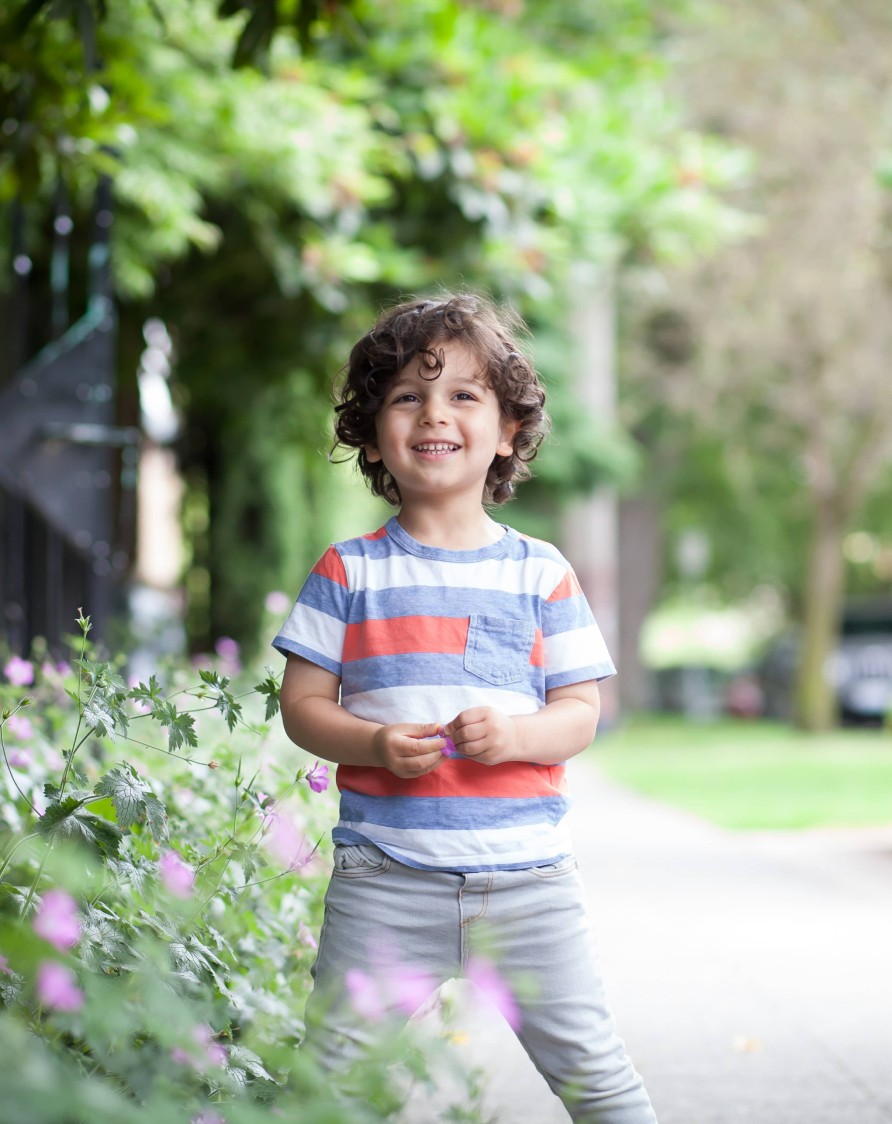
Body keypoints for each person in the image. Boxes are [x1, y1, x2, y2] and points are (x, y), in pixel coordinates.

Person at [273, 292, 658, 1123]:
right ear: (375, 433)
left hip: (529, 887)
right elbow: (301, 707)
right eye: (406, 396)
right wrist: (373, 741)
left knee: (597, 1076)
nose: (432, 413)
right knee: (330, 1087)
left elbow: (580, 713)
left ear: (508, 431)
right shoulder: (348, 572)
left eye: (462, 395)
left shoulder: (541, 572)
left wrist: (517, 734)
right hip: (384, 885)